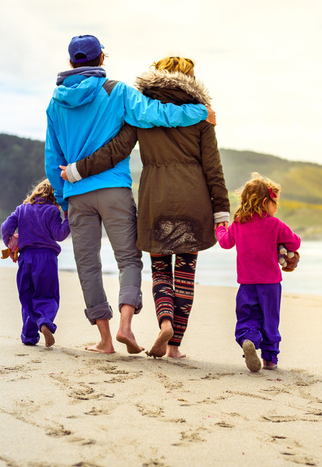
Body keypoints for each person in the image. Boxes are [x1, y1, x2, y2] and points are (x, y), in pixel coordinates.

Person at [45, 35, 216, 355]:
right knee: (128, 260)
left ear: (71, 64)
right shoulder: (117, 92)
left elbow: (52, 157)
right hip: (115, 191)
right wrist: (199, 113)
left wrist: (62, 196)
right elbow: (156, 114)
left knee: (88, 265)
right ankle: (127, 325)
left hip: (77, 192)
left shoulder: (55, 104)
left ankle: (106, 339)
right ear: (101, 60)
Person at [215, 173, 301, 372]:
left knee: (248, 317)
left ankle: (249, 339)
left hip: (246, 285)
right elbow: (295, 242)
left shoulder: (238, 223)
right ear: (265, 202)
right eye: (274, 203)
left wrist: (220, 228)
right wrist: (283, 244)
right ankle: (269, 359)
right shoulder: (275, 224)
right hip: (270, 285)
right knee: (270, 320)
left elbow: (226, 242)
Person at [1, 179, 71, 347]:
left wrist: (10, 243)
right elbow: (59, 235)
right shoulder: (52, 211)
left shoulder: (22, 209)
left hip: (26, 258)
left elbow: (5, 227)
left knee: (28, 296)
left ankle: (29, 336)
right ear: (55, 197)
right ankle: (45, 322)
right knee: (47, 295)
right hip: (47, 259)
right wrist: (69, 219)